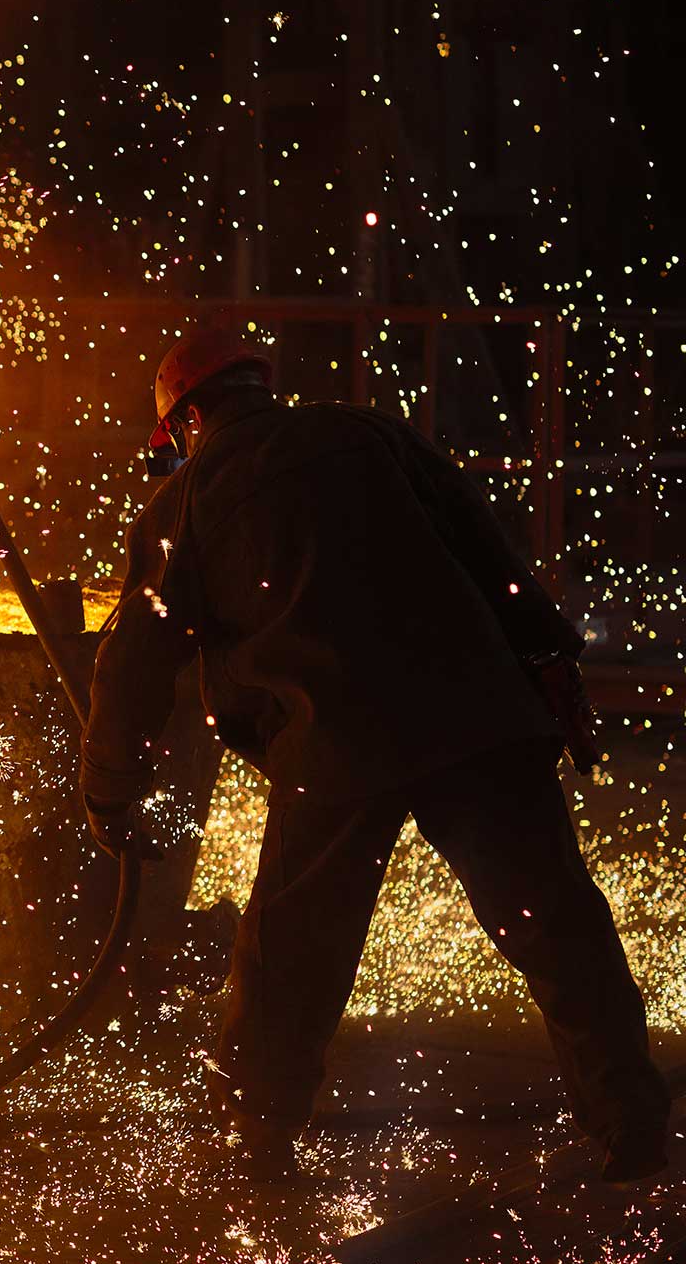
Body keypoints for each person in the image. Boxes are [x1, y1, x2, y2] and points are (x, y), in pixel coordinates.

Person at [80, 323, 671, 1181]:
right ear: (259, 386)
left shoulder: (185, 505)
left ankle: (262, 1138)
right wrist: (548, 654)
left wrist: (109, 793)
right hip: (478, 714)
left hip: (334, 744)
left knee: (291, 948)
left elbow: (134, 663)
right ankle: (633, 1124)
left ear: (185, 423)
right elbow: (488, 550)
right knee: (556, 924)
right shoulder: (368, 434)